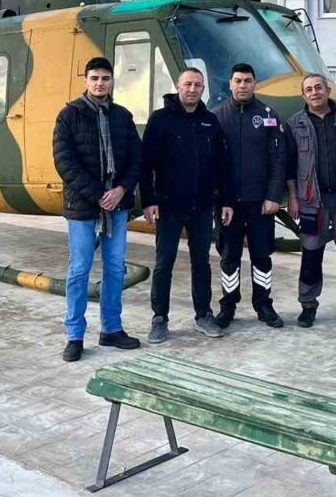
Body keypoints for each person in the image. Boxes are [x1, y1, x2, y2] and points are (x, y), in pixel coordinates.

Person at [52, 56, 142, 362]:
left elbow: (136, 158)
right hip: (83, 206)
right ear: (85, 81)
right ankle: (74, 335)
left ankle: (111, 329)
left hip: (117, 204)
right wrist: (99, 194)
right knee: (79, 269)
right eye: (94, 78)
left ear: (112, 81)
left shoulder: (122, 117)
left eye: (105, 78)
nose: (100, 83)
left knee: (115, 267)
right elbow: (65, 162)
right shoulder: (69, 116)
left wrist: (121, 190)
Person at [140, 67, 234, 344]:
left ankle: (203, 315)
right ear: (177, 86)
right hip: (169, 207)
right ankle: (159, 318)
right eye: (188, 84)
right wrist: (148, 200)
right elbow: (146, 165)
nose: (193, 89)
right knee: (164, 262)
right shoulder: (160, 120)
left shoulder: (210, 121)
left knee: (201, 262)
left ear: (203, 88)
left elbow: (223, 166)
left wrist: (226, 201)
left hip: (202, 207)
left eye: (198, 85)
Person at [211, 63, 288, 329]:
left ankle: (264, 305)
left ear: (255, 83)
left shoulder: (269, 116)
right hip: (228, 205)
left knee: (262, 255)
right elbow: (212, 164)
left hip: (261, 203)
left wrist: (273, 196)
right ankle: (228, 305)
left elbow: (278, 160)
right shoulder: (217, 117)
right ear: (230, 84)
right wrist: (220, 199)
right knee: (228, 256)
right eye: (238, 80)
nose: (242, 85)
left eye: (247, 80)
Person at [285, 73, 336, 327]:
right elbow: (289, 165)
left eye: (318, 87)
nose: (314, 92)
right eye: (309, 89)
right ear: (303, 95)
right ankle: (308, 305)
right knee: (311, 254)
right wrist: (293, 197)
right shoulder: (295, 123)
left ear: (327, 90)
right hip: (310, 201)